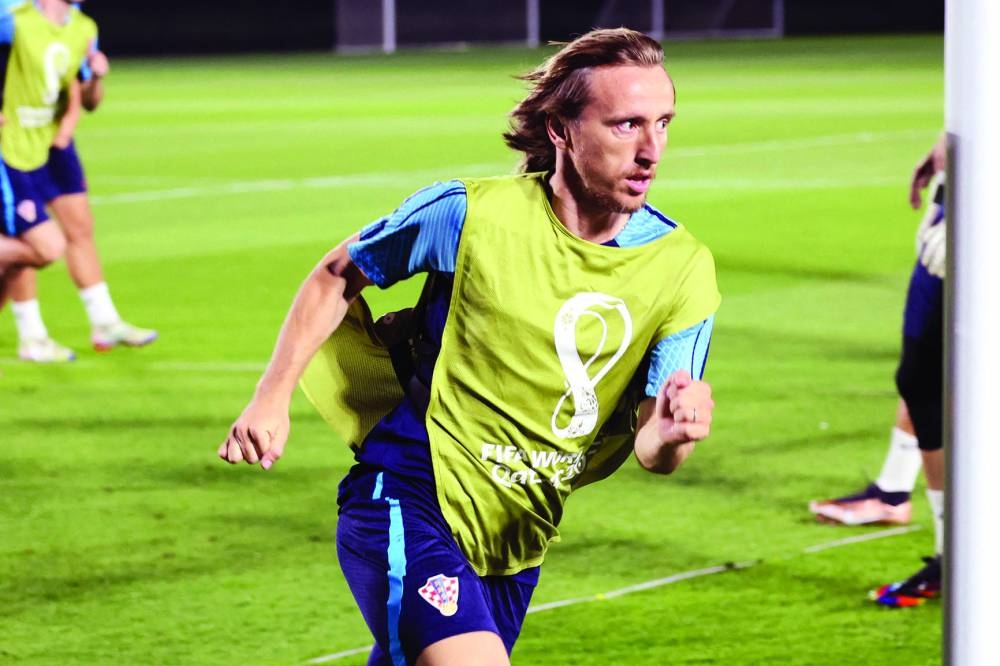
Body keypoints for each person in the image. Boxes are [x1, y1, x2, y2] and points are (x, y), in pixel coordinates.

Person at [219, 28, 720, 664]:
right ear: (561, 130)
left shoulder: (682, 269)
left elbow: (653, 449)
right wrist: (271, 397)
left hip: (517, 538)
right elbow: (338, 274)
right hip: (409, 492)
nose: (651, 150)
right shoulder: (468, 215)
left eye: (663, 123)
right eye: (626, 125)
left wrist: (672, 435)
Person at [811, 136, 946, 607]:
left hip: (977, 218)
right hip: (954, 209)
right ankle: (935, 536)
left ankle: (955, 553)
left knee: (950, 383)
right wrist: (947, 143)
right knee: (920, 380)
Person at [1, 0, 156, 362]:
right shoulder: (13, 18)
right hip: (13, 145)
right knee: (33, 242)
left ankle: (105, 322)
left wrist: (97, 77)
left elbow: (89, 101)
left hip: (52, 140)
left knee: (79, 226)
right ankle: (32, 335)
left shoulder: (84, 27)